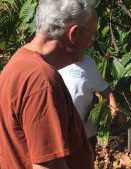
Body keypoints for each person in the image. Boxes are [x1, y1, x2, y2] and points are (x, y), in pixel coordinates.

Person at [0, 0, 97, 168]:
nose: (90, 43)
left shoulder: (18, 63)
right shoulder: (42, 79)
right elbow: (48, 165)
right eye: (91, 35)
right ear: (74, 34)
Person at [58, 54, 124, 156]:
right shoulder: (52, 59)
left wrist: (114, 108)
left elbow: (103, 88)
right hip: (57, 133)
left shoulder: (88, 62)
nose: (89, 44)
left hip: (85, 133)